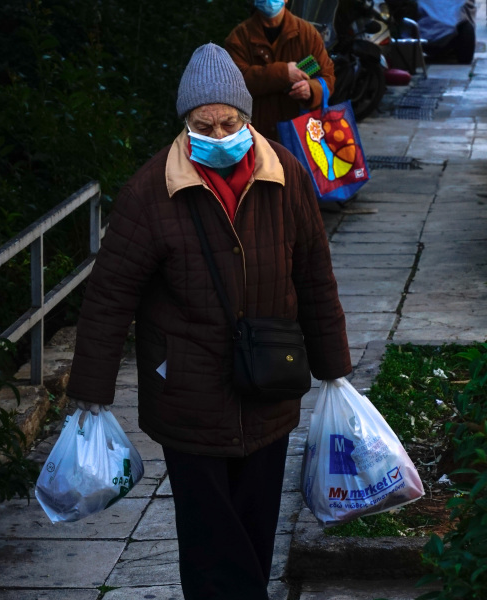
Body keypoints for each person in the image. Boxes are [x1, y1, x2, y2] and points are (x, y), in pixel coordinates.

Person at [65, 43, 350, 600]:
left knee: (255, 527)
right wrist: (90, 392)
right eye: (205, 125)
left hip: (270, 384)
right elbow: (109, 295)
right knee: (207, 535)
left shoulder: (286, 174)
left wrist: (335, 371)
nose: (219, 135)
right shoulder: (152, 190)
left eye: (230, 122)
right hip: (188, 392)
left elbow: (315, 276)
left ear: (247, 117)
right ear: (185, 123)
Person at [225, 0, 336, 140]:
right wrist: (283, 73)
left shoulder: (307, 34)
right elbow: (233, 83)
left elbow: (328, 78)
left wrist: (312, 89)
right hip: (255, 136)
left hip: (300, 136)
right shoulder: (239, 38)